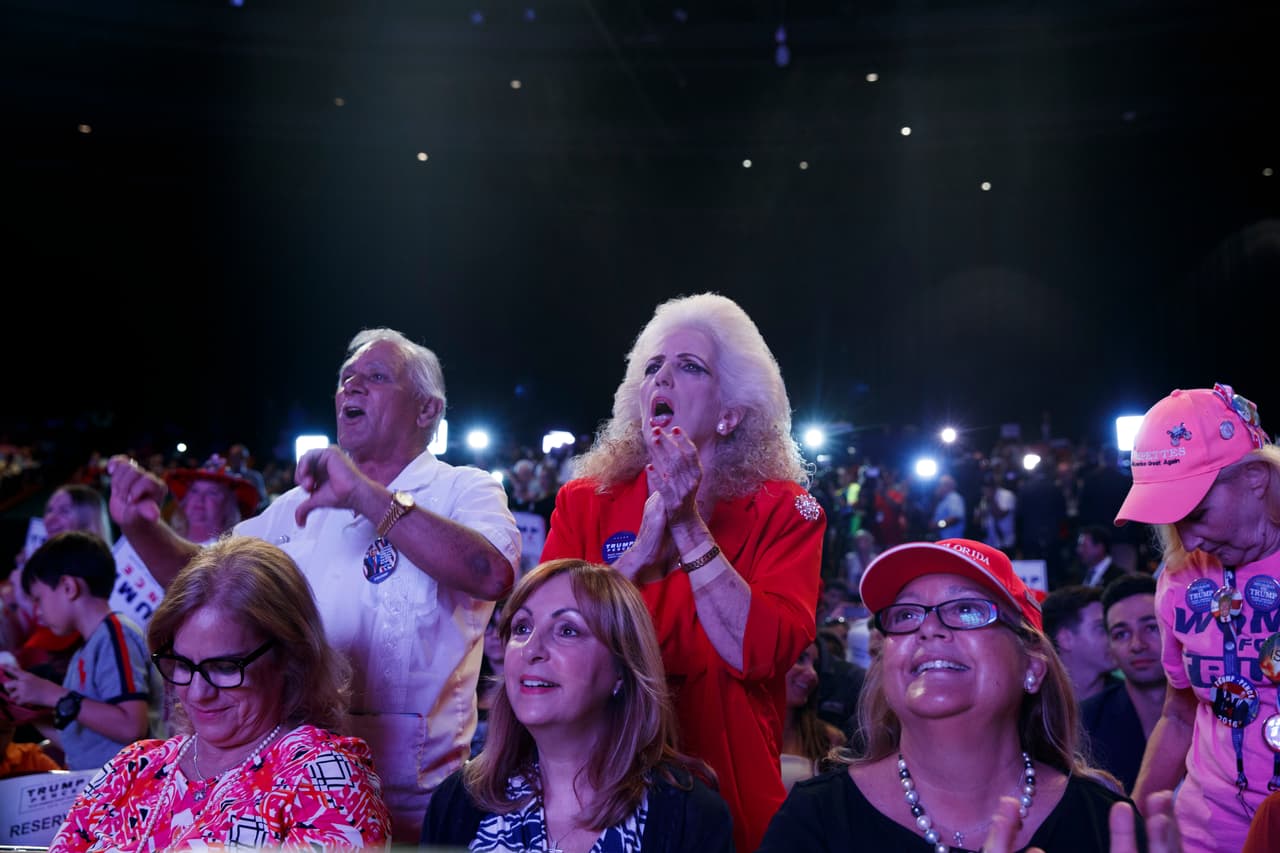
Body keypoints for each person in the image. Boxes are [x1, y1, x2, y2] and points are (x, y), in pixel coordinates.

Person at [105, 327, 521, 842]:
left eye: (375, 377)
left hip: (420, 807)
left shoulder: (463, 488)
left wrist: (368, 498)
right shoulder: (294, 508)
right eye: (346, 381)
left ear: (427, 412)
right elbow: (210, 583)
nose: (352, 388)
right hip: (302, 791)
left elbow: (491, 572)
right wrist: (142, 527)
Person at [540, 292, 823, 853]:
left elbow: (759, 652)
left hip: (730, 791)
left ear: (730, 413)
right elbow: (547, 634)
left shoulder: (785, 509)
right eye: (652, 368)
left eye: (689, 367)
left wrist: (688, 524)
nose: (662, 377)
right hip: (594, 793)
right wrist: (642, 551)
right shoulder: (585, 501)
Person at [757, 538, 1138, 852]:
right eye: (906, 615)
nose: (929, 628)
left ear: (1032, 668)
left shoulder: (1107, 824)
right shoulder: (816, 819)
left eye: (967, 609)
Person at [46, 535, 391, 851]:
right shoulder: (132, 767)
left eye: (225, 668)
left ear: (290, 657)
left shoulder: (323, 776)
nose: (197, 693)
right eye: (181, 664)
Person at [420, 558, 733, 852]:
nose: (532, 650)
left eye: (567, 630)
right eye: (522, 628)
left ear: (621, 671)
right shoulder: (457, 802)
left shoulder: (691, 818)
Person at [1114, 382, 1280, 852]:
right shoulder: (1179, 577)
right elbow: (1180, 714)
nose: (1187, 541)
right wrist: (1135, 813)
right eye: (1173, 520)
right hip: (1205, 832)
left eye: (1197, 512)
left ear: (1255, 478)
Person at [1, 532, 153, 771]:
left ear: (69, 587)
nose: (38, 613)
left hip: (134, 789)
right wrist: (32, 714)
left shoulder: (116, 634)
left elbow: (132, 726)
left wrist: (51, 694)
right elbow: (83, 747)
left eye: (39, 599)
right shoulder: (85, 651)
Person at [1081, 573, 1166, 794]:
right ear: (1109, 648)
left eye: (1151, 628)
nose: (1137, 644)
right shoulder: (1086, 723)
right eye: (1121, 634)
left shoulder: (1209, 713)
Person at [781, 641, 845, 790]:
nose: (812, 674)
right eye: (800, 659)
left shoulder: (828, 737)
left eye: (814, 665)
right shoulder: (735, 731)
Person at [1041, 584, 1118, 703]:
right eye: (1102, 627)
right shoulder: (1035, 704)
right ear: (1065, 639)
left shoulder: (1133, 699)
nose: (1115, 636)